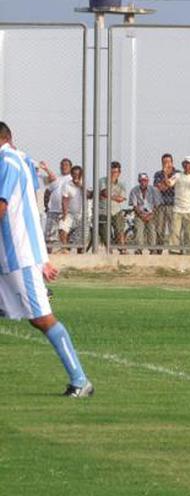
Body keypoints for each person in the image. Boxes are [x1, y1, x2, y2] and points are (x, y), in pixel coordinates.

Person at [0, 122, 93, 397]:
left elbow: (3, 207)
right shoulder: (21, 159)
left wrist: (39, 259)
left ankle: (80, 381)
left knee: (42, 318)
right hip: (14, 254)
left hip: (18, 254)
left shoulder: (7, 161)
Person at [97, 161, 127, 250]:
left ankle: (122, 249)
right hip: (103, 210)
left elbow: (121, 199)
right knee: (105, 232)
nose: (113, 174)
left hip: (116, 210)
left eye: (115, 172)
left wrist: (108, 196)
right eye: (111, 172)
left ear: (119, 173)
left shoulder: (121, 184)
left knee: (120, 229)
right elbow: (104, 192)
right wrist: (114, 197)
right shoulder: (102, 181)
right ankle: (109, 251)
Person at [129, 172, 160, 253]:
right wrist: (141, 215)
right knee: (138, 229)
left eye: (145, 180)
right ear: (139, 181)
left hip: (151, 214)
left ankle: (152, 249)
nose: (143, 182)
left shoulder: (154, 190)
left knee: (152, 230)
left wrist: (151, 214)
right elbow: (135, 206)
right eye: (141, 181)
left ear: (148, 181)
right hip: (139, 215)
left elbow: (157, 205)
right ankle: (139, 249)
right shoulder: (134, 190)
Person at [42, 158, 72, 244]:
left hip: (67, 212)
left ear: (70, 167)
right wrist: (46, 206)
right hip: (53, 210)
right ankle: (50, 255)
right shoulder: (56, 178)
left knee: (64, 234)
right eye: (62, 165)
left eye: (66, 165)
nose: (63, 167)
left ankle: (65, 251)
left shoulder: (72, 179)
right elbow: (47, 192)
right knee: (49, 237)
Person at [153, 153, 177, 253]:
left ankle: (173, 250)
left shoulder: (177, 173)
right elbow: (160, 187)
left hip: (173, 205)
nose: (166, 164)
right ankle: (159, 250)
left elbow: (170, 186)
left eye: (168, 162)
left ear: (172, 162)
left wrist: (166, 178)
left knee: (173, 229)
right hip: (161, 205)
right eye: (164, 162)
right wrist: (167, 182)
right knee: (159, 229)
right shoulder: (158, 174)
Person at [58, 166, 85, 251]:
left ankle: (80, 255)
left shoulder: (85, 183)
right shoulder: (67, 185)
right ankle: (64, 249)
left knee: (80, 238)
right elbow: (65, 199)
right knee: (62, 227)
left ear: (81, 175)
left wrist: (80, 186)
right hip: (70, 213)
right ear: (71, 175)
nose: (76, 176)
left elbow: (90, 195)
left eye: (78, 174)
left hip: (83, 214)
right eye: (74, 174)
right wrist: (64, 214)